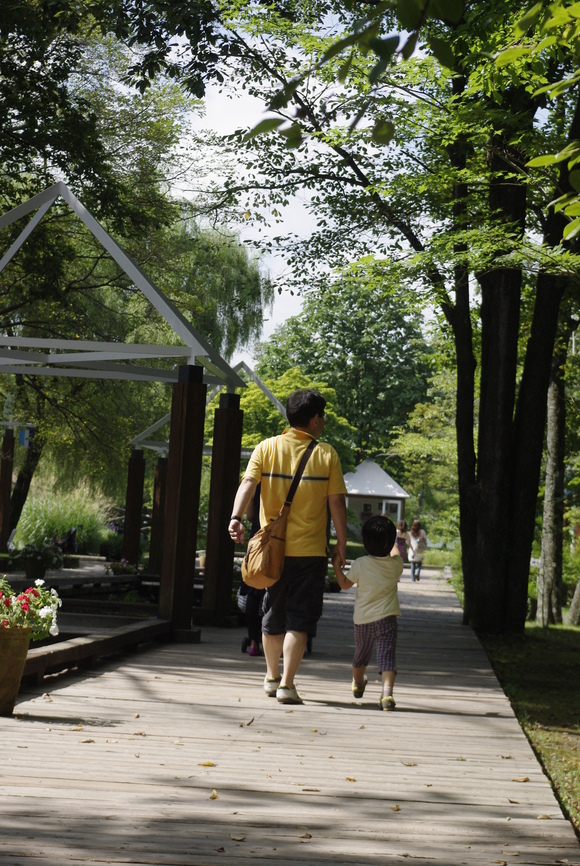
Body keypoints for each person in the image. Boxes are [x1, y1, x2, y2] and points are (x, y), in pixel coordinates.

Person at [228, 389, 347, 705]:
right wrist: (342, 544)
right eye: (322, 415)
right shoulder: (327, 455)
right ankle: (287, 684)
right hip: (309, 553)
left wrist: (236, 518)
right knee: (300, 620)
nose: (324, 421)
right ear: (313, 419)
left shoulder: (266, 448)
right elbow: (336, 504)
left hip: (273, 553)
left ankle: (270, 676)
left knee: (274, 613)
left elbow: (248, 484)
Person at [331, 515, 402, 711]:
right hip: (387, 619)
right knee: (387, 657)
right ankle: (387, 695)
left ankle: (358, 682)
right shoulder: (396, 565)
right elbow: (396, 553)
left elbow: (345, 584)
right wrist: (392, 537)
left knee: (360, 655)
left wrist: (336, 566)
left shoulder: (361, 563)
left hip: (362, 621)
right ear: (390, 542)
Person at [241, 484, 264, 657]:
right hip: (280, 539)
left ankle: (254, 642)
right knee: (278, 592)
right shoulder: (286, 478)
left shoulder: (256, 484)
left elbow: (249, 516)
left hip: (257, 539)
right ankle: (278, 638)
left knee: (253, 592)